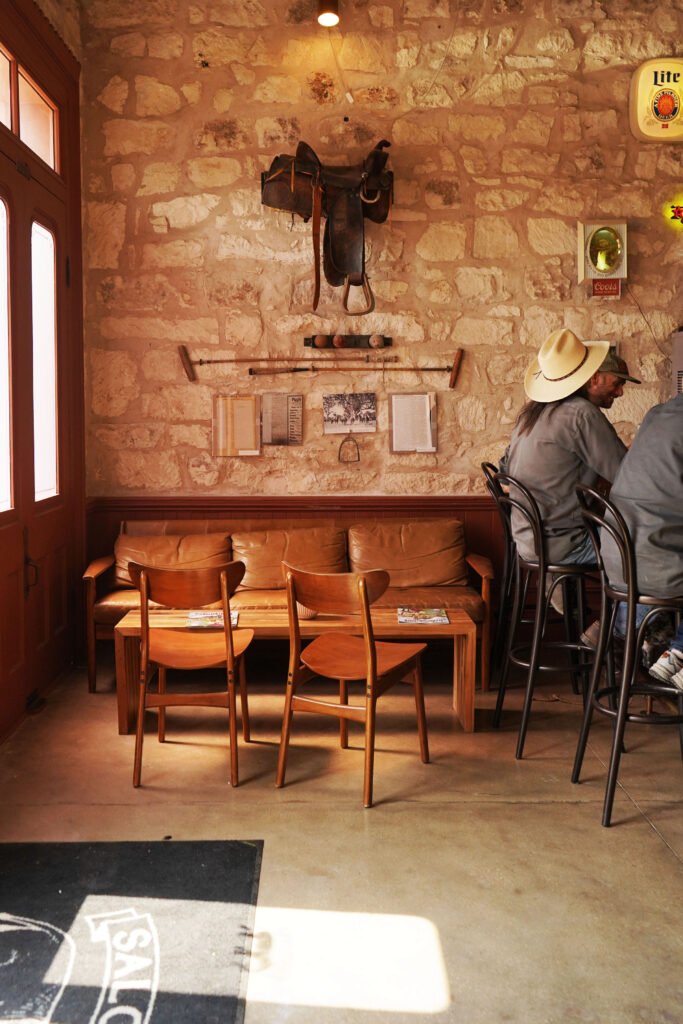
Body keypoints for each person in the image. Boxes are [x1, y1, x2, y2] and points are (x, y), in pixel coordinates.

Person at [501, 328, 639, 575]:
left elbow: (505, 468)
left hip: (526, 540)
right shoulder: (581, 414)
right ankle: (624, 617)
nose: (620, 392)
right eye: (617, 383)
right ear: (594, 378)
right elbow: (626, 476)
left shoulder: (532, 414)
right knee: (644, 549)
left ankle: (569, 605)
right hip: (564, 544)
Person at [599, 393, 683, 688]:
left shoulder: (656, 413)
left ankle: (622, 638)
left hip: (616, 560)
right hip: (652, 565)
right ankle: (678, 654)